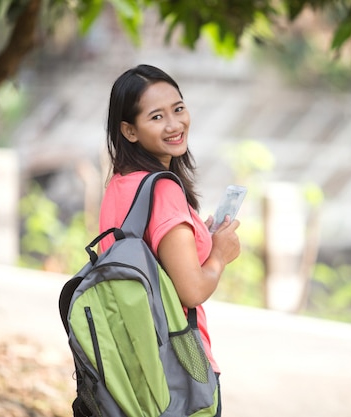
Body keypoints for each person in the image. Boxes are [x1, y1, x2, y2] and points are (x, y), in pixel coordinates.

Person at [98, 64, 241, 416]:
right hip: (180, 360)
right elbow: (190, 292)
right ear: (129, 131)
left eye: (178, 109)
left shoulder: (120, 182)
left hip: (132, 355)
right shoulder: (163, 190)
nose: (175, 124)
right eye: (157, 117)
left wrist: (196, 239)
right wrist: (219, 254)